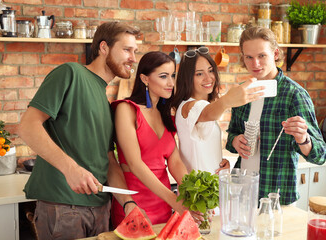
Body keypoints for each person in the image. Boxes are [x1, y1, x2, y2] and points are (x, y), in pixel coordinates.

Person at [17, 22, 145, 239]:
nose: (133, 58)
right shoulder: (70, 73)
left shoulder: (104, 100)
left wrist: (128, 203)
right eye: (126, 49)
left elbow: (108, 160)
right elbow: (27, 126)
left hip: (100, 210)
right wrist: (71, 169)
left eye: (135, 51)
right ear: (104, 47)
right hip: (64, 207)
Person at [226, 26, 326, 205]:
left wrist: (303, 139)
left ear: (275, 53)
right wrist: (235, 141)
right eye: (249, 57)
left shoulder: (294, 94)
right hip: (242, 193)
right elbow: (232, 136)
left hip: (276, 197)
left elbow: (320, 155)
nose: (255, 63)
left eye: (261, 56)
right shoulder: (242, 92)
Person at [111, 51, 201, 227]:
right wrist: (174, 200)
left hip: (163, 205)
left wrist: (194, 195)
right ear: (145, 79)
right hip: (133, 205)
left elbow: (175, 163)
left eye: (172, 76)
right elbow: (135, 164)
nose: (171, 83)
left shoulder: (165, 114)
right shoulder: (126, 109)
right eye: (163, 76)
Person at [171, 46, 263, 175]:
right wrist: (228, 100)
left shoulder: (203, 105)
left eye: (210, 71)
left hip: (211, 189)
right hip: (197, 193)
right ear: (187, 78)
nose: (208, 78)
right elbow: (209, 113)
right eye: (199, 74)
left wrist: (219, 162)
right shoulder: (189, 106)